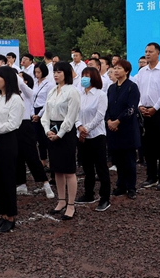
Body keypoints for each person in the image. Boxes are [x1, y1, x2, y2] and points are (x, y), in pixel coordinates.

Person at [0, 66, 25, 232]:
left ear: (7, 79)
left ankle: (11, 216)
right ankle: (2, 214)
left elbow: (13, 124)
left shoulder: (15, 99)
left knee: (7, 179)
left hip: (6, 141)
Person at [42, 61, 81, 220]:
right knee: (57, 169)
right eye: (54, 72)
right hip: (52, 130)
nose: (56, 74)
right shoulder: (52, 91)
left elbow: (71, 117)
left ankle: (71, 205)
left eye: (59, 72)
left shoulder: (72, 91)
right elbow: (46, 114)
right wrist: (47, 130)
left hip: (66, 133)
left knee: (69, 170)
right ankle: (61, 200)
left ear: (66, 73)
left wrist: (60, 134)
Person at [135, 43, 160, 191]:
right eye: (146, 51)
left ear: (158, 53)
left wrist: (155, 108)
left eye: (150, 51)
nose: (147, 54)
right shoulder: (142, 72)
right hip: (144, 111)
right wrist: (139, 105)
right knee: (148, 146)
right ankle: (151, 177)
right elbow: (137, 91)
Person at [75, 67, 111, 211]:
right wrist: (79, 127)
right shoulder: (80, 94)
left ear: (94, 78)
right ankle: (88, 193)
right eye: (83, 75)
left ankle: (105, 198)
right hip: (82, 135)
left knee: (101, 167)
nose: (84, 78)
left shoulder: (100, 95)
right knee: (87, 167)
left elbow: (100, 115)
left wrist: (86, 129)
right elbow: (75, 113)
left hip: (96, 135)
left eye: (87, 76)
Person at [15, 72, 53, 198]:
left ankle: (45, 183)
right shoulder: (9, 94)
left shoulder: (27, 93)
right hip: (14, 126)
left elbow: (24, 87)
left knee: (31, 156)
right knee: (17, 156)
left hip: (25, 126)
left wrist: (14, 75)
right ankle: (21, 183)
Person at [106, 59, 140, 199]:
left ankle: (131, 187)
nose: (116, 70)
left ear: (126, 71)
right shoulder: (111, 88)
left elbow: (132, 108)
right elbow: (107, 107)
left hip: (127, 128)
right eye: (115, 68)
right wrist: (109, 121)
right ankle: (121, 185)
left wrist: (118, 121)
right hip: (113, 129)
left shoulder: (132, 87)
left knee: (129, 160)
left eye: (119, 68)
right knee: (118, 159)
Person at [31, 63, 53, 168]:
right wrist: (33, 114)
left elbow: (48, 101)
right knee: (38, 137)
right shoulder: (35, 83)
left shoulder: (49, 84)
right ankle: (43, 159)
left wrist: (39, 114)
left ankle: (51, 160)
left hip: (44, 110)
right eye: (35, 72)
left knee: (46, 137)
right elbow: (31, 98)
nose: (37, 74)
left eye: (39, 72)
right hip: (34, 110)